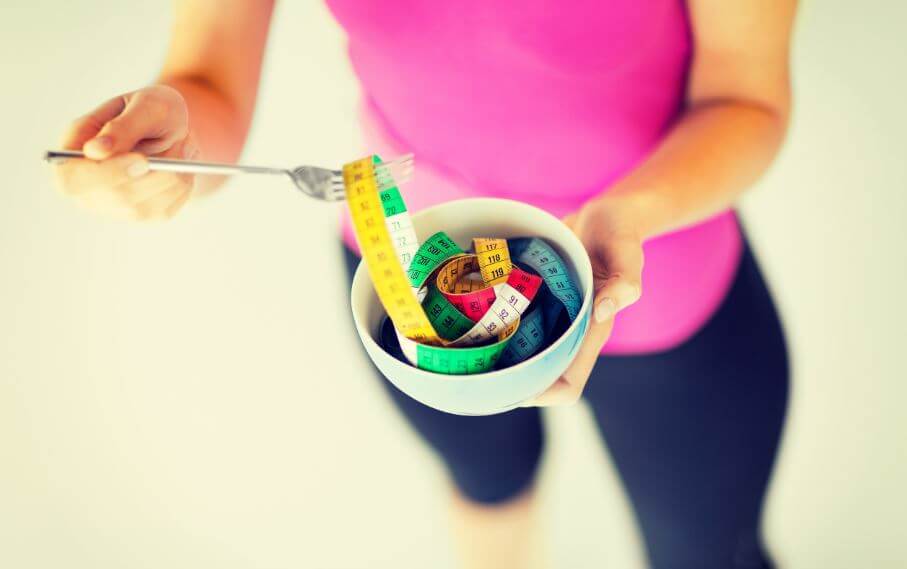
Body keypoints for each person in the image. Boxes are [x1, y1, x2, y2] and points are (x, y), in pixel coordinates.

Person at [53, 1, 797, 567]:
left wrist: (624, 214)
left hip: (659, 266)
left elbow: (746, 99)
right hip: (410, 294)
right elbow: (210, 81)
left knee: (709, 552)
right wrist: (170, 150)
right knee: (487, 488)